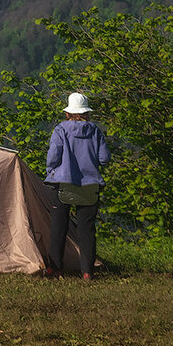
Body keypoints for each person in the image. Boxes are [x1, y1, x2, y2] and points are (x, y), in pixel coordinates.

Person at [44, 92, 109, 280]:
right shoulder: (95, 131)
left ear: (68, 113)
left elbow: (53, 156)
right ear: (86, 113)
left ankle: (54, 268)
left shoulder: (60, 130)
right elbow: (104, 159)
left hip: (62, 183)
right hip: (90, 184)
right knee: (86, 229)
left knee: (59, 227)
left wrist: (52, 170)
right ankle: (87, 271)